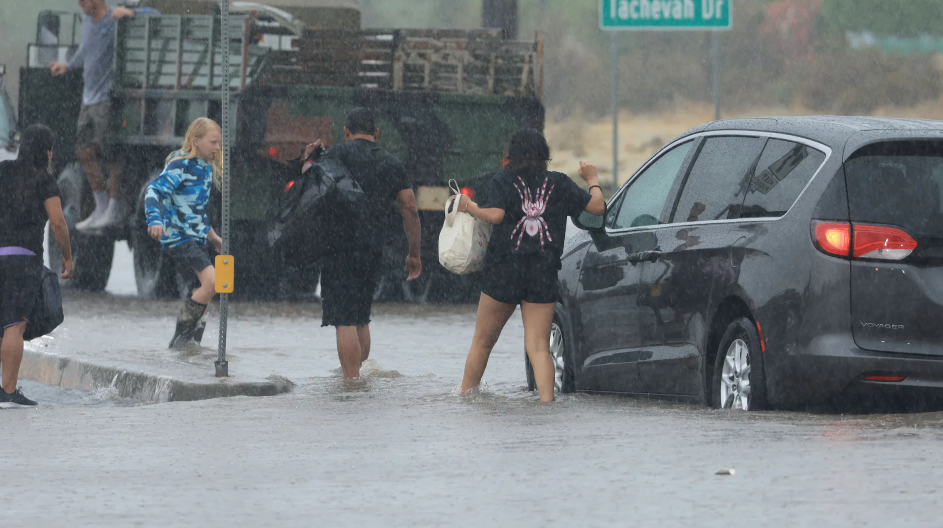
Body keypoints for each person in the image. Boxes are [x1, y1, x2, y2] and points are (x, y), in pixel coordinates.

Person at [456, 129, 605, 402]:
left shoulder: (503, 180)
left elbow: (496, 215)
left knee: (482, 342)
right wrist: (592, 179)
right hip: (543, 271)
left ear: (511, 156)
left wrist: (470, 207)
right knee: (538, 347)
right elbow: (597, 208)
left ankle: (465, 398)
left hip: (504, 271)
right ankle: (547, 404)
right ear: (545, 156)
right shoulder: (559, 183)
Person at [304, 107, 422, 379]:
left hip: (337, 247)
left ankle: (352, 384)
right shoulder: (392, 163)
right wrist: (414, 253)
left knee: (343, 319)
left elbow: (308, 190)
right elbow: (410, 209)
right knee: (360, 315)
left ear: (346, 132)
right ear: (376, 133)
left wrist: (309, 159)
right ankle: (359, 377)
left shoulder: (335, 156)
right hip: (373, 248)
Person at [49, 0, 158, 231]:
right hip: (88, 101)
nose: (80, 5)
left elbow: (154, 12)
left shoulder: (114, 19)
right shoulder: (88, 23)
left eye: (83, 2)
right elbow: (85, 51)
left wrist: (130, 12)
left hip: (106, 100)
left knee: (110, 154)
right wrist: (67, 66)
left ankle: (114, 206)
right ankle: (101, 206)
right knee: (84, 151)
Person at [0, 124, 74, 408]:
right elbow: (57, 222)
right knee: (14, 327)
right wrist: (67, 256)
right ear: (47, 151)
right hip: (22, 259)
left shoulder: (3, 171)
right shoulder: (44, 180)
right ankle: (7, 392)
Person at [144, 118, 224, 349]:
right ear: (196, 141)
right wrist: (154, 219)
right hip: (179, 237)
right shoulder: (180, 165)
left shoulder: (206, 168)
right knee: (212, 282)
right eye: (213, 142)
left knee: (201, 290)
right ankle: (180, 340)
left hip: (197, 238)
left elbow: (196, 210)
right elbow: (153, 190)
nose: (217, 148)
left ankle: (192, 345)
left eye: (219, 143)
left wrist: (213, 237)